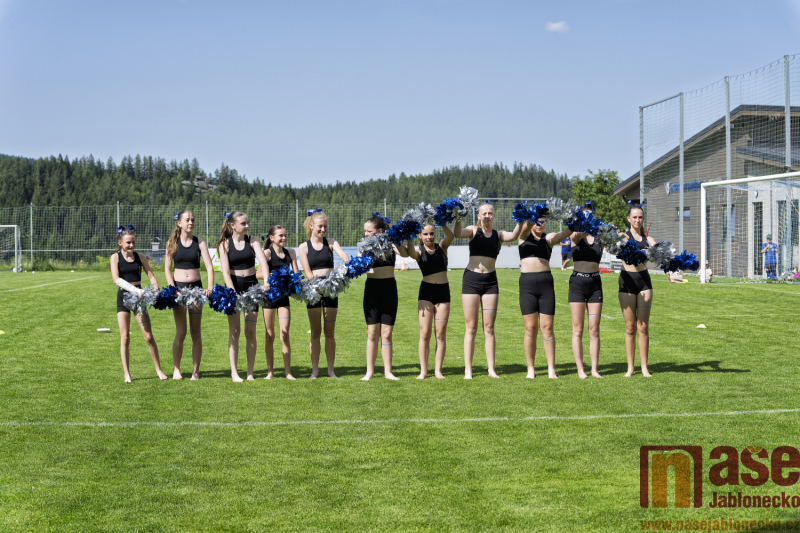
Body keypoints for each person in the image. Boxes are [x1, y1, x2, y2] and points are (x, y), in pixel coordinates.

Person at [454, 202, 522, 379]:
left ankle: (491, 369)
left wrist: (520, 220)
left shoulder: (499, 235)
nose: (487, 216)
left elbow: (514, 235)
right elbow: (457, 233)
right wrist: (459, 217)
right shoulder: (473, 231)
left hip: (491, 283)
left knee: (489, 327)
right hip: (471, 281)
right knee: (471, 328)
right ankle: (468, 370)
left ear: (493, 216)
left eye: (490, 213)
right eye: (483, 213)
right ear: (478, 215)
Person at [110, 225, 168, 382]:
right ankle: (127, 374)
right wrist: (136, 291)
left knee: (148, 336)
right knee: (125, 337)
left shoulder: (140, 257)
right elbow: (116, 279)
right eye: (128, 242)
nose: (131, 245)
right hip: (124, 297)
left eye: (133, 242)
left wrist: (155, 290)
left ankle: (159, 370)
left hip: (139, 300)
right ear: (120, 243)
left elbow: (152, 277)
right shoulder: (115, 257)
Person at [217, 211, 269, 382]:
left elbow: (263, 262)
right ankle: (234, 373)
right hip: (233, 287)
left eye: (247, 223)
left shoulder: (252, 240)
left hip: (251, 287)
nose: (247, 226)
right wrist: (232, 291)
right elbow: (225, 272)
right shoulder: (224, 244)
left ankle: (250, 373)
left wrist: (266, 282)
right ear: (233, 225)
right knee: (234, 331)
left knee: (250, 331)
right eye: (243, 223)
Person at [297, 209, 350, 378]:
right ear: (311, 226)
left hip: (331, 289)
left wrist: (348, 264)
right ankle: (315, 371)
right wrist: (318, 286)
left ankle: (330, 370)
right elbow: (307, 272)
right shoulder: (303, 247)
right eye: (320, 226)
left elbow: (344, 256)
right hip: (313, 290)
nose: (323, 229)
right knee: (315, 332)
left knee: (329, 332)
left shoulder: (331, 242)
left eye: (325, 226)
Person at [518, 216, 572, 379]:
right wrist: (533, 216)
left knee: (547, 328)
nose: (540, 224)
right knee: (530, 328)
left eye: (543, 221)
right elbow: (525, 227)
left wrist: (574, 223)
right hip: (527, 285)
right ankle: (531, 369)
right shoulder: (523, 236)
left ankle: (551, 369)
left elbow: (562, 235)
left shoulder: (548, 238)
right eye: (537, 221)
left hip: (545, 285)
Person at [164, 210, 214, 380]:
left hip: (196, 290)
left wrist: (209, 287)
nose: (191, 222)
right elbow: (167, 270)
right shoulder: (172, 243)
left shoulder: (200, 243)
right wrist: (173, 289)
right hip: (179, 290)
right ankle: (176, 369)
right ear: (179, 223)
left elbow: (209, 267)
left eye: (193, 220)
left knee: (196, 332)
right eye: (187, 220)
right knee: (181, 332)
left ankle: (195, 371)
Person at [361, 213, 409, 381]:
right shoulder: (364, 246)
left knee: (387, 333)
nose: (366, 234)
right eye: (365, 231)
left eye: (369, 231)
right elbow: (358, 263)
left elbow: (405, 254)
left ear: (380, 230)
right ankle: (370, 372)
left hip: (389, 289)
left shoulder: (391, 243)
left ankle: (388, 372)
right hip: (372, 290)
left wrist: (394, 239)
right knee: (372, 333)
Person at [404, 222, 454, 379]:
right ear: (420, 236)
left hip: (443, 293)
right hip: (426, 292)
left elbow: (451, 236)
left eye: (432, 233)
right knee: (425, 333)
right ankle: (423, 371)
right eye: (425, 234)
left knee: (440, 333)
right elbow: (410, 252)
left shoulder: (442, 247)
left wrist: (443, 222)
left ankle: (438, 370)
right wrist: (409, 235)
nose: (429, 237)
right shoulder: (419, 252)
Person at [617, 203, 656, 378]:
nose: (637, 220)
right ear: (628, 219)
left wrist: (653, 251)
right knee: (630, 327)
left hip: (644, 282)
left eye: (640, 217)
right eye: (634, 217)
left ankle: (644, 368)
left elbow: (657, 250)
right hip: (627, 281)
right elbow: (621, 244)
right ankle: (630, 368)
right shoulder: (623, 236)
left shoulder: (649, 239)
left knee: (643, 326)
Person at [568, 201, 605, 380]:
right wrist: (590, 228)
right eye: (584, 215)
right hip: (577, 284)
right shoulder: (575, 234)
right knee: (578, 330)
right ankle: (580, 369)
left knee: (594, 330)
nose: (588, 217)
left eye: (590, 215)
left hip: (595, 284)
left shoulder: (600, 236)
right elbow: (576, 235)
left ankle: (594, 369)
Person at [256, 225, 299, 380]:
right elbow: (258, 274)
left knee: (284, 334)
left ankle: (288, 372)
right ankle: (270, 372)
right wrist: (275, 276)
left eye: (285, 235)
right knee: (270, 335)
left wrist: (294, 280)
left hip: (283, 298)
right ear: (272, 238)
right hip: (269, 298)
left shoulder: (291, 253)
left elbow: (296, 273)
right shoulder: (267, 253)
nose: (284, 238)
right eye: (280, 235)